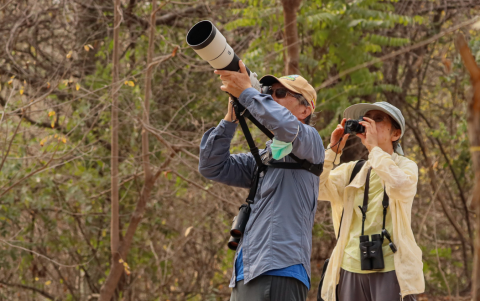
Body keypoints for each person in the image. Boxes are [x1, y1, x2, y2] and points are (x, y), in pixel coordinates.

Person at [198, 61, 324, 301]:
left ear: (305, 110)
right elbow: (211, 166)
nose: (271, 98)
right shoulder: (266, 157)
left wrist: (248, 94)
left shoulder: (311, 142)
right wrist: (231, 118)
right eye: (268, 93)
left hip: (281, 268)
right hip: (247, 272)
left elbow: (286, 127)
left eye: (280, 93)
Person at [318, 102, 424, 301]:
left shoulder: (406, 166)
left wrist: (375, 149)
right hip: (349, 265)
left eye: (378, 119)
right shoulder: (353, 170)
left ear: (395, 134)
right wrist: (333, 151)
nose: (370, 124)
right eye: (366, 119)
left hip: (392, 266)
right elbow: (316, 189)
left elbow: (401, 186)